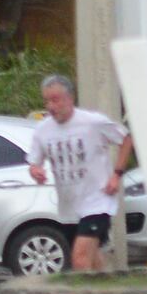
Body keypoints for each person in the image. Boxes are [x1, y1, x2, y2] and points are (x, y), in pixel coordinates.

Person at [31, 71, 131, 273]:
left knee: (79, 258)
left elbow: (126, 139)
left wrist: (116, 174)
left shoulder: (92, 122)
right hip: (69, 206)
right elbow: (34, 162)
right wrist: (36, 171)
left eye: (56, 100)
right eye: (47, 101)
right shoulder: (42, 130)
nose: (51, 107)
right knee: (93, 260)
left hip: (98, 201)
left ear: (70, 98)